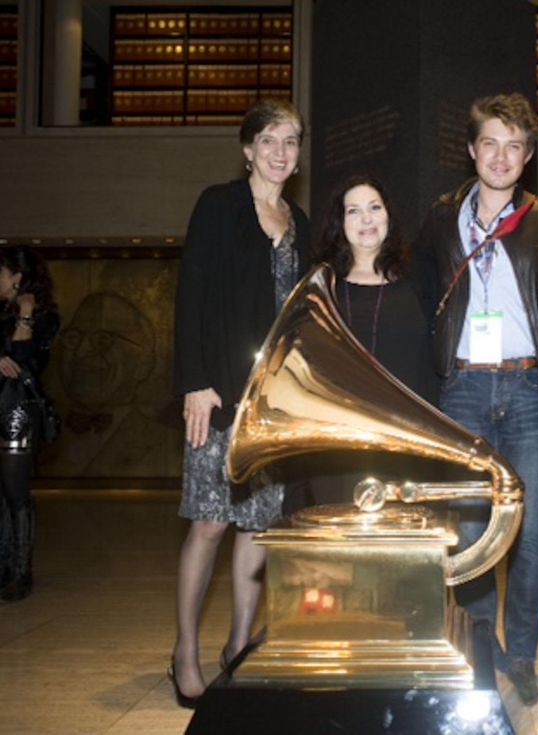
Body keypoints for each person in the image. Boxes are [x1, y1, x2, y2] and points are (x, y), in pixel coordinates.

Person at [414, 93, 538, 706]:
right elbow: (419, 294)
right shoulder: (441, 220)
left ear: (527, 157)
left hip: (528, 388)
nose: (501, 157)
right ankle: (485, 653)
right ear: (472, 150)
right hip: (465, 388)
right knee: (472, 531)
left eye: (514, 146)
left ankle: (521, 656)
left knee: (530, 534)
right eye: (490, 144)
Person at [170, 99, 311, 707]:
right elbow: (192, 294)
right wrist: (195, 380)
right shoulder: (219, 205)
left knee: (258, 525)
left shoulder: (300, 222)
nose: (281, 152)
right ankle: (185, 651)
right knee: (209, 523)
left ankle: (238, 647)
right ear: (248, 149)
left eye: (291, 141)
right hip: (220, 392)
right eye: (269, 140)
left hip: (276, 402)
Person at [281, 174, 439, 514]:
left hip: (405, 441)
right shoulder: (320, 287)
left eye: (374, 208)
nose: (366, 219)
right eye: (353, 211)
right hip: (336, 445)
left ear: (388, 216)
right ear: (340, 223)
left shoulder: (420, 280)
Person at [0, 247, 59, 602]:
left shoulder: (45, 317)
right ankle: (3, 566)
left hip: (17, 411)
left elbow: (22, 359)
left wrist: (25, 314)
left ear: (16, 277)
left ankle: (20, 572)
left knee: (15, 492)